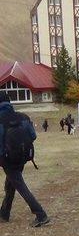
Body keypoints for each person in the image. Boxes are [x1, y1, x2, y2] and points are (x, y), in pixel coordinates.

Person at [0, 93, 49, 227]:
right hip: (23, 156)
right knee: (11, 184)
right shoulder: (23, 117)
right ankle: (4, 213)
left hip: (7, 159)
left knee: (19, 185)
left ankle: (40, 214)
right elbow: (33, 136)